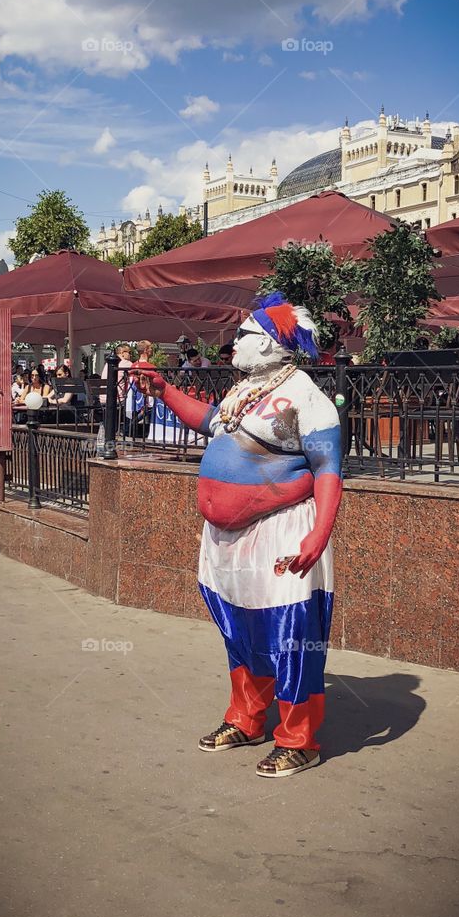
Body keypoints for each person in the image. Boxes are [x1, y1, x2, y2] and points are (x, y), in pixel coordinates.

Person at [137, 292, 342, 777]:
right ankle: (247, 719)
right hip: (227, 539)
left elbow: (329, 468)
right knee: (241, 633)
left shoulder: (308, 398)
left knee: (291, 637)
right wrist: (165, 390)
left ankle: (299, 739)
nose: (234, 347)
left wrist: (319, 533)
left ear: (272, 345)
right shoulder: (243, 390)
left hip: (280, 532)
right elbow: (210, 422)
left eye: (244, 338)